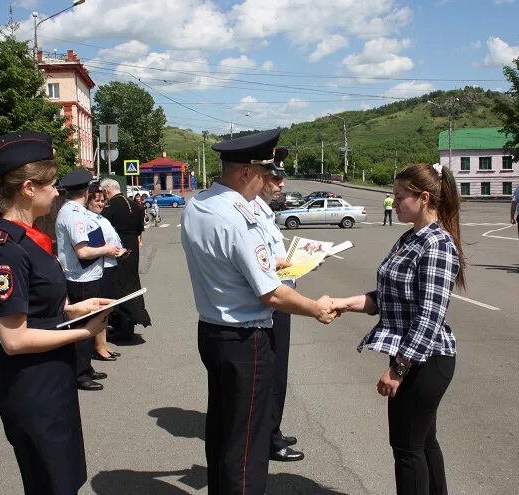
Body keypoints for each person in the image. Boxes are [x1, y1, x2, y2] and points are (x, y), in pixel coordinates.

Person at [181, 129, 338, 495]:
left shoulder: (200, 204)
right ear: (245, 173)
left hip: (214, 330)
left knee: (223, 430)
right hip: (246, 338)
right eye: (264, 175)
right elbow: (271, 293)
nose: (268, 182)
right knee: (248, 441)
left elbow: (241, 266)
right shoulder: (238, 217)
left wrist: (290, 264)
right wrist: (315, 308)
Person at [0, 131, 113, 494]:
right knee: (50, 484)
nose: (57, 192)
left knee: (63, 480)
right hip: (33, 387)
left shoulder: (28, 238)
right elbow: (15, 339)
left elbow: (37, 303)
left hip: (52, 378)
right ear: (28, 188)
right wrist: (85, 332)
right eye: (51, 185)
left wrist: (73, 307)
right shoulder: (5, 251)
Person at [332, 162, 464, 495]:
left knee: (406, 448)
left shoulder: (437, 244)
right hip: (414, 356)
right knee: (422, 442)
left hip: (426, 359)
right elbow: (387, 296)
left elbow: (429, 316)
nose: (393, 202)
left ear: (423, 198)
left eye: (399, 196)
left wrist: (397, 370)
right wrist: (343, 303)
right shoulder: (409, 239)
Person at [251, 147, 304, 463]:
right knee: (272, 373)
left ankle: (273, 428)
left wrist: (299, 263)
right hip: (272, 302)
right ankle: (269, 438)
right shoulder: (253, 212)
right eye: (275, 176)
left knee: (278, 372)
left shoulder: (265, 211)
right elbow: (261, 264)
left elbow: (270, 259)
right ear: (260, 177)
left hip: (280, 295)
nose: (281, 183)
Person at [56, 168, 120, 391]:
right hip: (81, 277)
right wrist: (107, 249)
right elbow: (82, 252)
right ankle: (80, 373)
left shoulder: (75, 211)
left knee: (89, 323)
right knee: (83, 326)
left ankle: (86, 367)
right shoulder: (73, 215)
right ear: (85, 191)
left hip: (87, 275)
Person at [100, 179, 152, 342]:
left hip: (119, 247)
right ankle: (131, 321)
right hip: (133, 247)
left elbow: (102, 227)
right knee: (131, 282)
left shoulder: (110, 207)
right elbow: (139, 229)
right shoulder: (135, 205)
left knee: (119, 285)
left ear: (107, 191)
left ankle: (122, 326)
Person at [85, 184, 126, 360]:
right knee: (100, 310)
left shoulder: (103, 219)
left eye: (103, 200)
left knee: (107, 308)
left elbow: (114, 240)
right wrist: (111, 250)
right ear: (88, 201)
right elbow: (97, 246)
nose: (101, 204)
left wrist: (121, 250)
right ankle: (99, 346)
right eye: (97, 200)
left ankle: (103, 343)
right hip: (100, 269)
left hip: (111, 265)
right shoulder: (89, 220)